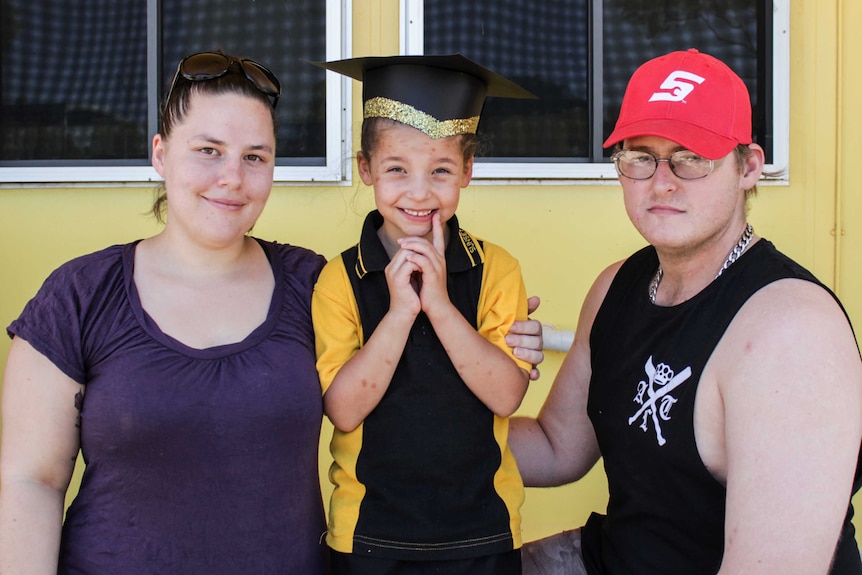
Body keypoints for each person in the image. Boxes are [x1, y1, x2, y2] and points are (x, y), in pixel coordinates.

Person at [0, 50, 546, 574]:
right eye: (208, 150)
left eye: (254, 157)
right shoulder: (82, 295)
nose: (232, 178)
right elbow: (29, 479)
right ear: (161, 154)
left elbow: (431, 399)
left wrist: (504, 340)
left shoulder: (310, 283)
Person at [510, 48, 862, 575]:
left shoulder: (791, 331)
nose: (663, 180)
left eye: (692, 156)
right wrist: (424, 421)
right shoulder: (617, 286)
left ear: (748, 167)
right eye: (640, 156)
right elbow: (558, 447)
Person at [310, 54, 537, 575]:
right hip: (369, 535)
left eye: (441, 171)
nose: (418, 192)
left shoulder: (495, 269)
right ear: (365, 168)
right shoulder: (341, 279)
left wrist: (438, 304)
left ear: (468, 171)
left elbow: (505, 393)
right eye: (396, 170)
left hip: (482, 531)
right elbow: (343, 410)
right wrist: (398, 314)